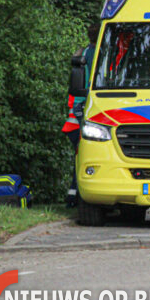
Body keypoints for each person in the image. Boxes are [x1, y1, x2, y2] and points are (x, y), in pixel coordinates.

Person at [61, 23, 100, 207]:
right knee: (83, 157)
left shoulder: (82, 53)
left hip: (75, 115)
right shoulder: (100, 55)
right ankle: (75, 198)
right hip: (82, 113)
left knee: (79, 158)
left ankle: (73, 197)